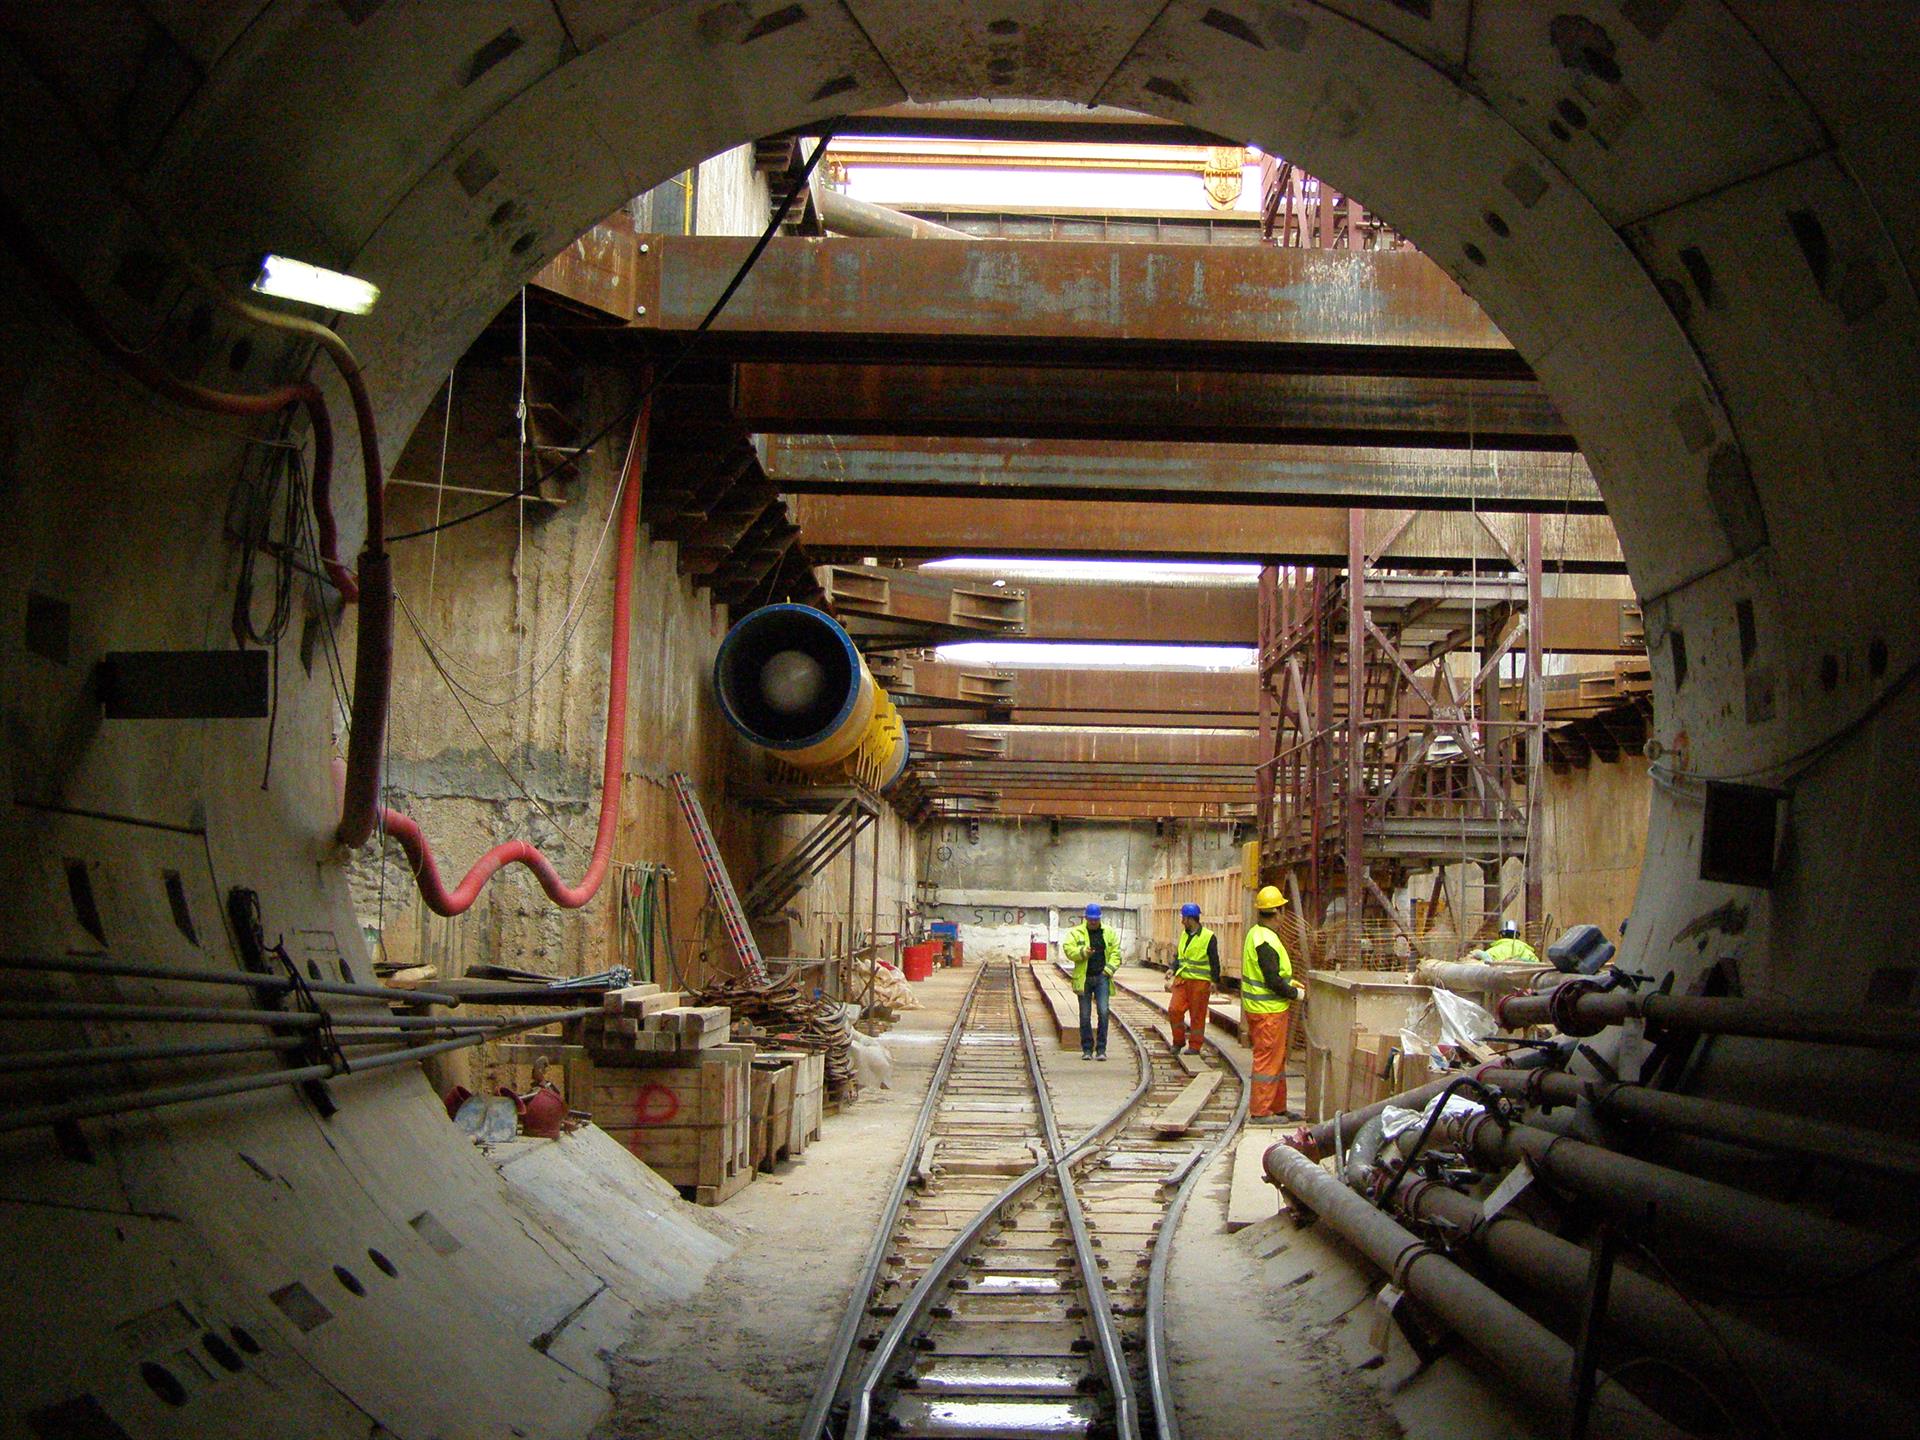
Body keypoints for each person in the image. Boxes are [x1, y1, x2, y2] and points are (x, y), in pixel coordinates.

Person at [1242, 885, 1300, 1124]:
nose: (1283, 916)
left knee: (1276, 1059)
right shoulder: (1265, 941)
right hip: (1268, 1012)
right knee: (1267, 1060)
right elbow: (1272, 979)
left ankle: (1277, 1107)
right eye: (1282, 911)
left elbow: (1274, 974)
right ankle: (1261, 1111)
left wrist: (1289, 983)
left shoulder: (1257, 934)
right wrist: (1294, 993)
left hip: (1268, 1010)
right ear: (1276, 912)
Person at [1064, 903, 1121, 1060]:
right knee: (1084, 1015)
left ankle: (1101, 1049)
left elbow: (1116, 953)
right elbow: (1069, 950)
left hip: (1102, 977)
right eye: (1091, 919)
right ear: (1086, 918)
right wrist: (1082, 953)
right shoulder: (1076, 933)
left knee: (1103, 1012)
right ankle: (1087, 1049)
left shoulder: (1108, 933)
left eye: (1096, 920)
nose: (1093, 922)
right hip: (1084, 979)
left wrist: (1108, 970)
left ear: (1099, 918)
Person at [1169, 901, 1218, 1054]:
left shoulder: (1209, 937)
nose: (1182, 921)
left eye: (1184, 918)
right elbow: (1180, 956)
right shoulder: (1184, 934)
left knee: (1197, 1015)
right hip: (1182, 981)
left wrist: (1214, 980)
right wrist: (1172, 968)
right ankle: (1178, 1041)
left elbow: (1214, 960)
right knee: (1174, 1010)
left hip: (1200, 983)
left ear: (1190, 919)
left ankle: (1195, 1046)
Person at [1473, 918, 1540, 966]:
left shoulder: (1492, 952)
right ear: (1517, 935)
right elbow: (1537, 966)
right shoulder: (1528, 953)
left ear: (1500, 935)